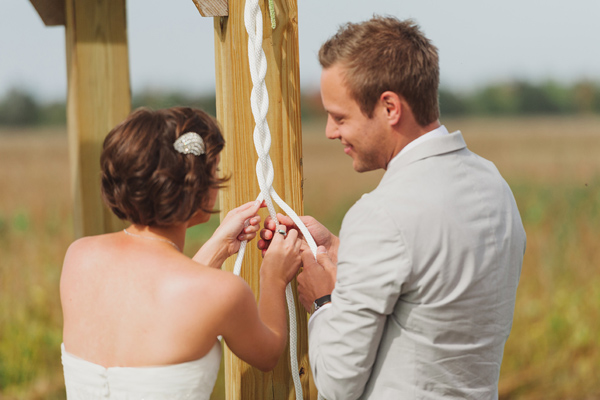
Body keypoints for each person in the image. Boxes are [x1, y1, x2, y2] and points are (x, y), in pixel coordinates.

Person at [259, 16, 526, 399]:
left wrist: (323, 301)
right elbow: (431, 278)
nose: (331, 132)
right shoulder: (493, 184)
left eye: (339, 117)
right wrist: (341, 251)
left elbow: (337, 383)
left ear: (389, 108)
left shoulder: (381, 214)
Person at [60, 107, 302, 399]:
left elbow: (160, 309)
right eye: (213, 170)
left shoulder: (80, 257)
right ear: (196, 185)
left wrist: (220, 246)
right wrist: (274, 276)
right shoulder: (223, 292)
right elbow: (269, 353)